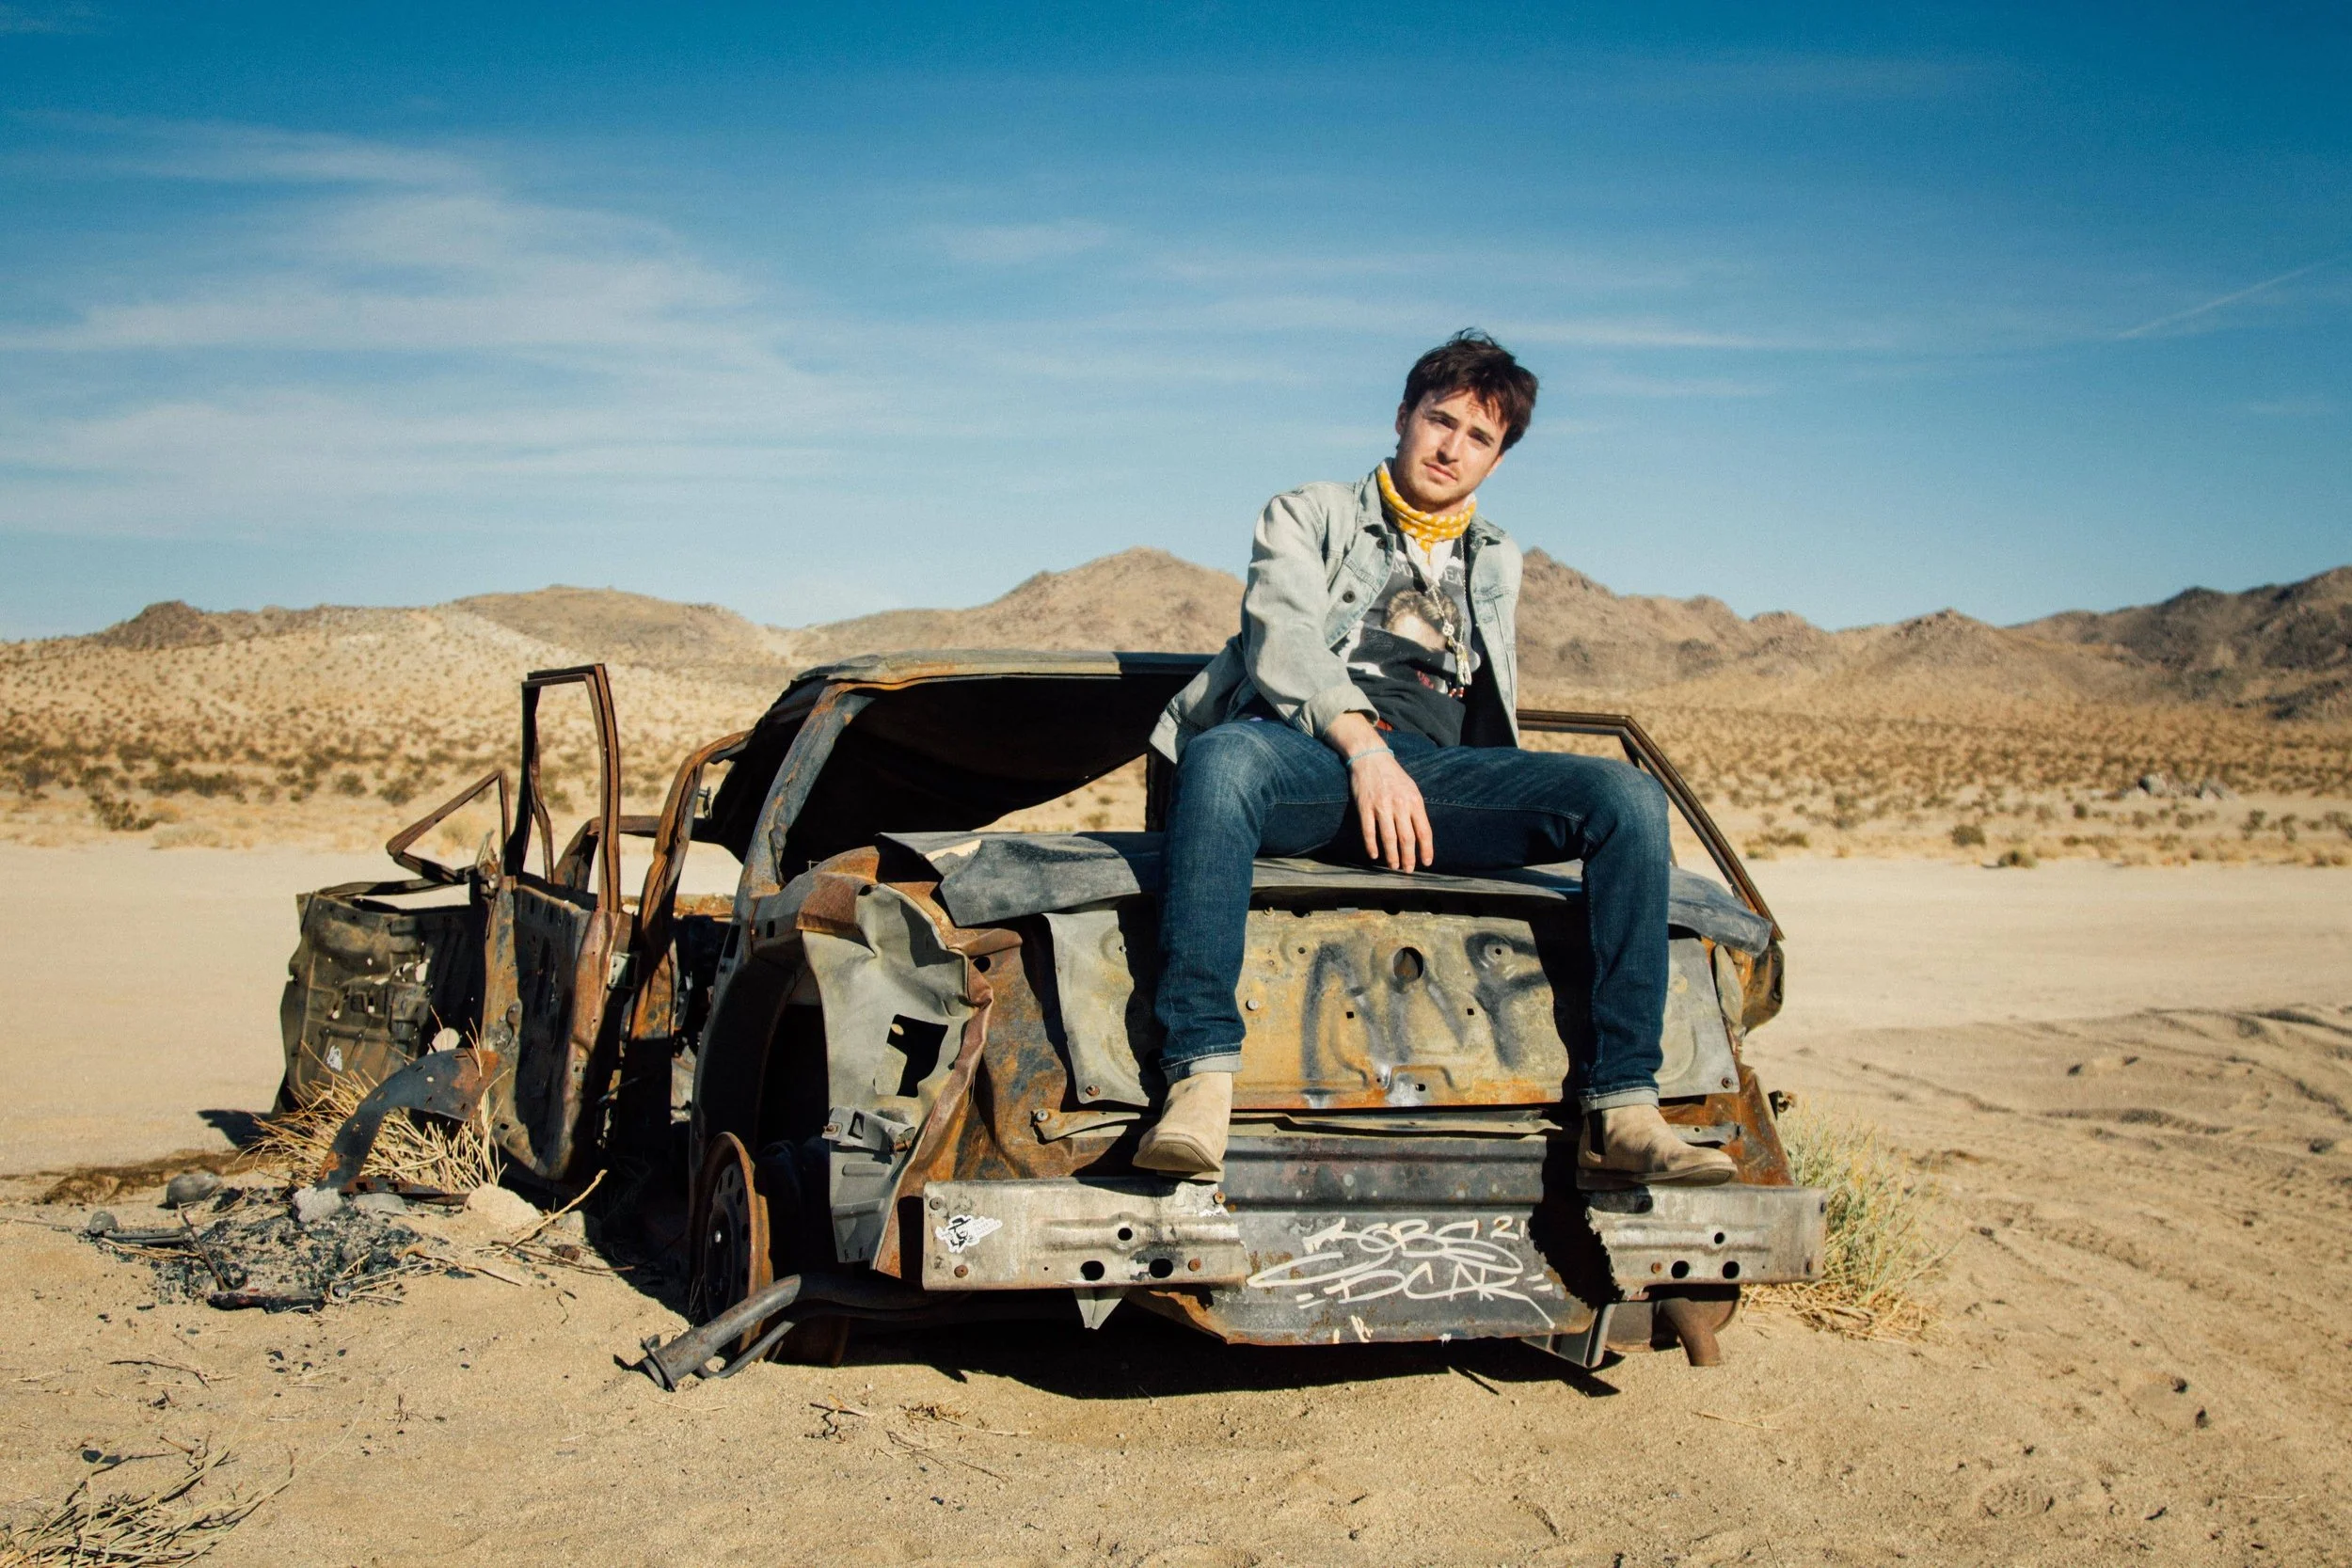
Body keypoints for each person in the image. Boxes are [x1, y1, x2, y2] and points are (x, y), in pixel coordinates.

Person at [1136, 330, 1734, 1190]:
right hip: (1302, 752)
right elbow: (1283, 636)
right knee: (1223, 759)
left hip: (1434, 778)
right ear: (1402, 416)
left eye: (1479, 436)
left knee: (1629, 801)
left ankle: (1625, 1106)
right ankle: (1200, 1079)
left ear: (1499, 457)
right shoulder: (1308, 512)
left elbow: (1486, 702)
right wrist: (1362, 747)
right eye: (1440, 419)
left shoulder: (1496, 557)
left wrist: (1451, 780)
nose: (1452, 447)